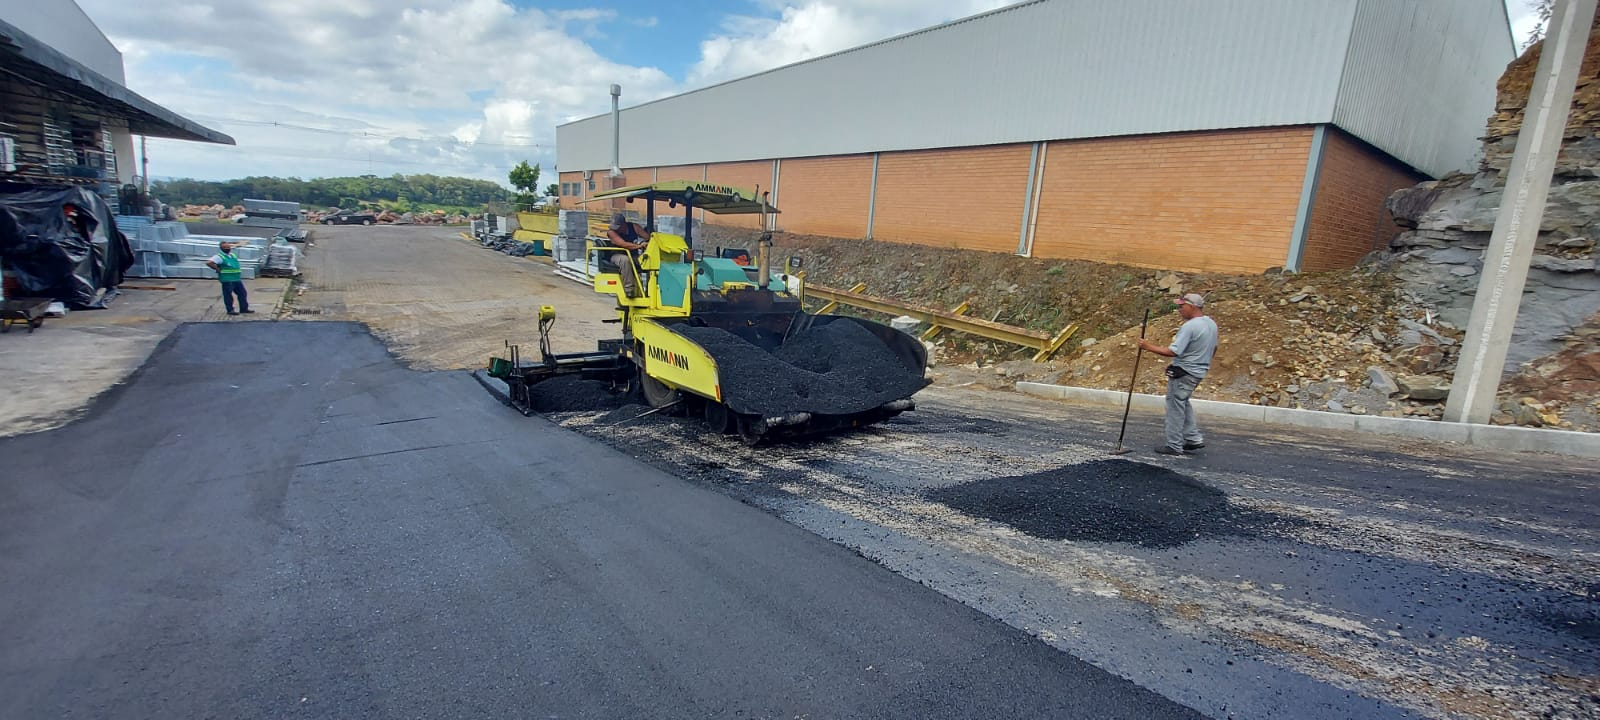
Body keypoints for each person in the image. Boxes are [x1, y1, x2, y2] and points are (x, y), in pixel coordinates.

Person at [1138, 293, 1217, 456]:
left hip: (1185, 372)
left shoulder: (1190, 327)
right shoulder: (1211, 324)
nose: (1179, 309)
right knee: (1182, 402)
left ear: (1192, 306)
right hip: (1198, 371)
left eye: (1182, 306)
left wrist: (1147, 346)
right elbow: (1214, 348)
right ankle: (1193, 438)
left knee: (1175, 407)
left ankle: (1174, 445)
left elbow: (1173, 351)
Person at [604, 212, 650, 296]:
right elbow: (623, 244)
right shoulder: (611, 232)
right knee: (625, 260)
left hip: (633, 255)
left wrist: (647, 240)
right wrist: (639, 246)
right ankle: (629, 289)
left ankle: (650, 289)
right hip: (617, 255)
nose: (616, 229)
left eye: (618, 227)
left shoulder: (634, 227)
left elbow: (648, 237)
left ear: (624, 224)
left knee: (648, 261)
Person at [206, 241, 253, 316]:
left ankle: (244, 308)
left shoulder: (232, 255)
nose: (227, 248)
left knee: (242, 293)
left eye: (228, 247)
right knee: (228, 295)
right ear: (221, 248)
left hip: (236, 278)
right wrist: (217, 268)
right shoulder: (219, 256)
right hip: (227, 279)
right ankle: (230, 310)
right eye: (225, 247)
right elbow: (209, 262)